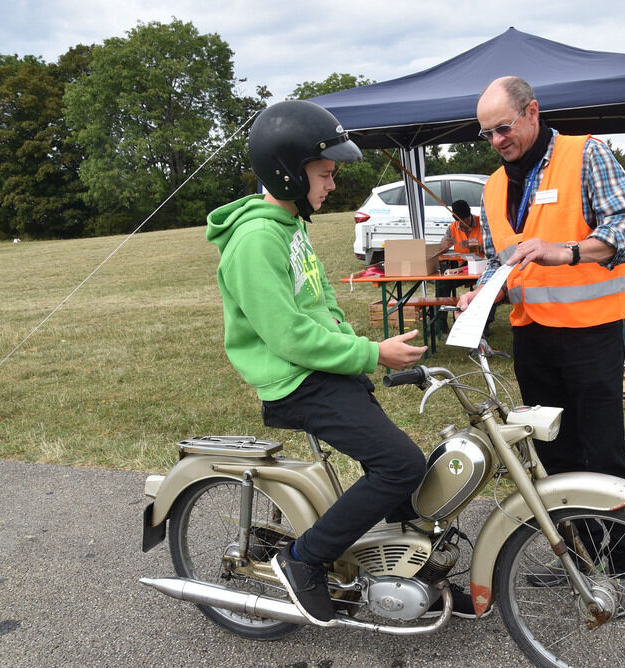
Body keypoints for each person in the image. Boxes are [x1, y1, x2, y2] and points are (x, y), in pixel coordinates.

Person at [205, 100, 475, 625]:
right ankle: (303, 558)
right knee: (400, 465)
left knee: (402, 466)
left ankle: (411, 571)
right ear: (288, 171)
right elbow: (288, 335)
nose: (331, 185)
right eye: (324, 174)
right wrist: (373, 353)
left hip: (325, 372)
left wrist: (355, 352)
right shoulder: (257, 239)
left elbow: (322, 304)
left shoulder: (290, 228)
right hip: (296, 381)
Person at [456, 76, 625, 614]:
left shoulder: (585, 155)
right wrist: (483, 292)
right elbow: (504, 260)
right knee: (554, 456)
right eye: (486, 133)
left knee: (603, 452)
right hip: (532, 336)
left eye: (503, 127)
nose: (496, 140)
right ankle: (580, 565)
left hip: (591, 331)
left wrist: (565, 252)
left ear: (532, 112)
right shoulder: (494, 185)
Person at [436, 199, 485, 334]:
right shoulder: (452, 228)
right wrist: (443, 247)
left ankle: (485, 325)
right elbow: (441, 248)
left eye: (467, 219)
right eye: (461, 220)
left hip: (483, 267)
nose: (464, 223)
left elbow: (493, 246)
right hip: (462, 268)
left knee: (487, 288)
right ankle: (440, 323)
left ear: (470, 215)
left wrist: (476, 247)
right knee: (442, 285)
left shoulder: (483, 223)